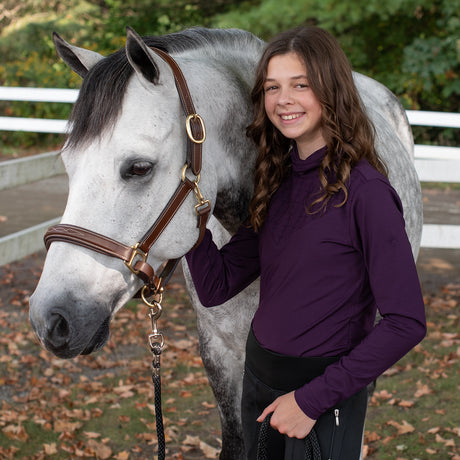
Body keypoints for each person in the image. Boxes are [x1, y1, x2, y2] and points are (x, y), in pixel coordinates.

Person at [186, 26, 426, 459]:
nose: (284, 99)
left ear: (331, 89)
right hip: (259, 384)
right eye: (272, 87)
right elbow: (216, 284)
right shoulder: (277, 182)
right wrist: (188, 217)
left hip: (321, 399)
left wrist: (310, 401)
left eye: (301, 84)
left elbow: (405, 322)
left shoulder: (367, 192)